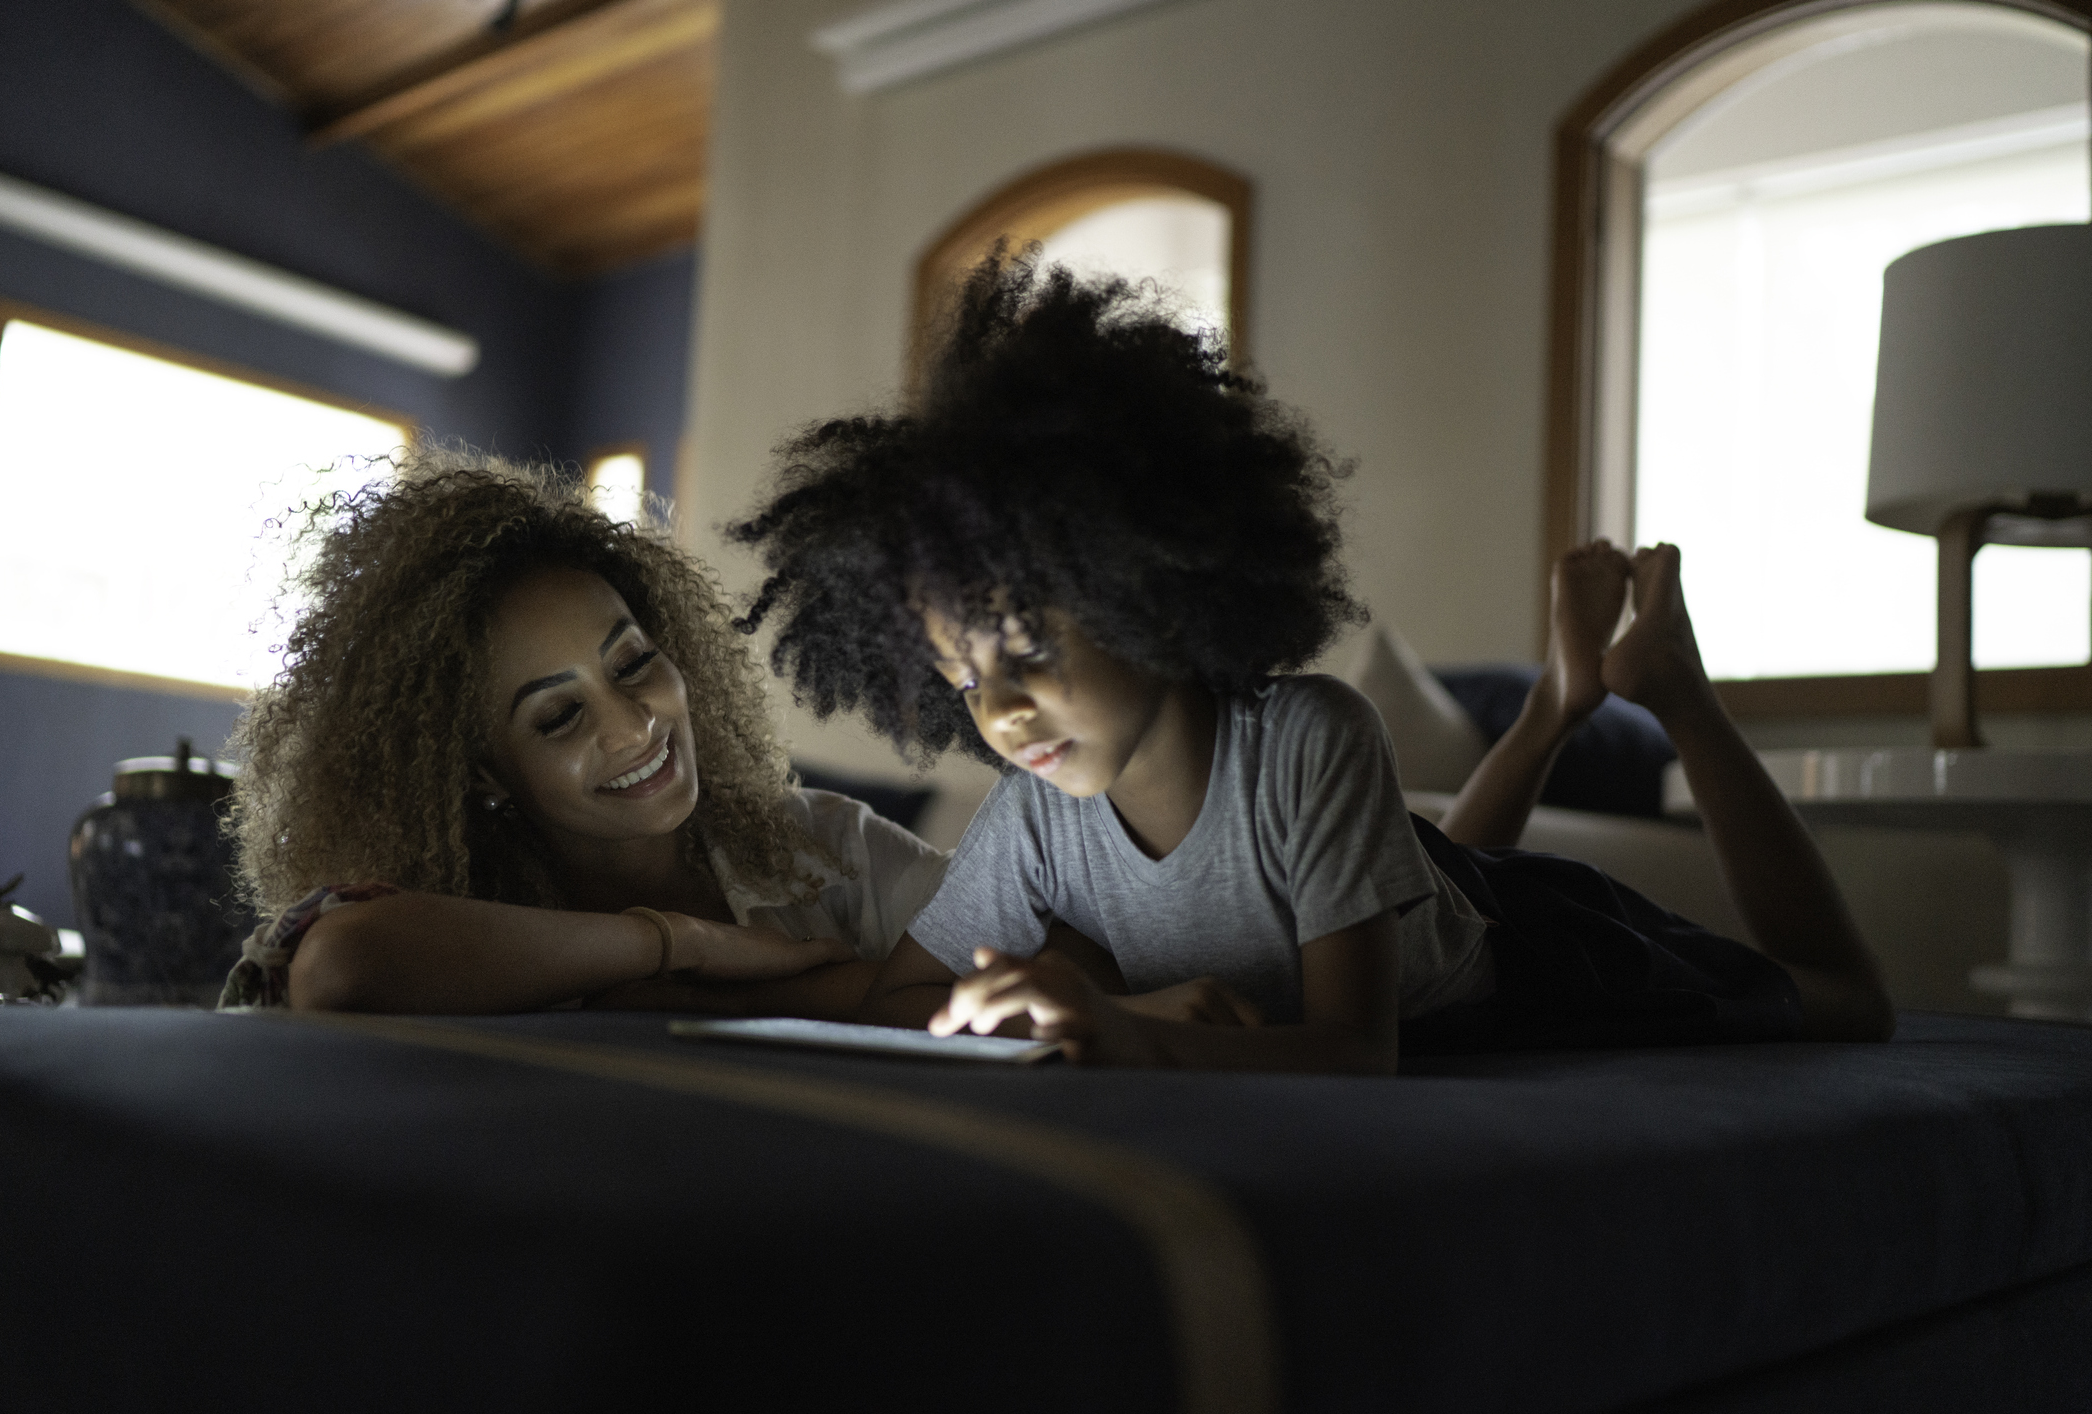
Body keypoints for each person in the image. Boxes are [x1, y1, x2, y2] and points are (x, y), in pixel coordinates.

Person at [727, 255, 1895, 1072]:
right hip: (1430, 889)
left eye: (1026, 652)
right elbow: (895, 1002)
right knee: (1448, 869)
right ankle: (1554, 705)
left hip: (1537, 954)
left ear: (1150, 586)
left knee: (1842, 1003)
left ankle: (1672, 691)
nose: (999, 709)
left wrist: (1129, 1031)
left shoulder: (1311, 734)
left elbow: (1357, 1049)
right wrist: (1071, 999)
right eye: (960, 679)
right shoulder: (1030, 815)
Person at [217, 445, 948, 1016]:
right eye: (559, 716)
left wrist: (720, 996)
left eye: (631, 663)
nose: (634, 725)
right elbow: (338, 968)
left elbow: (1039, 981)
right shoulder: (458, 910)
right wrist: (679, 944)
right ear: (483, 772)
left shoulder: (824, 847)